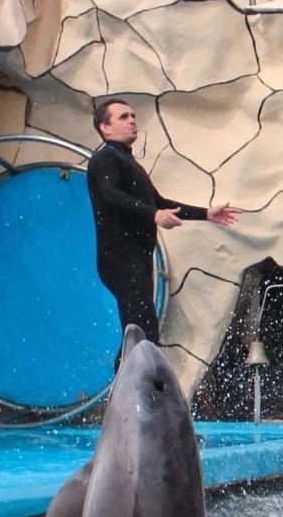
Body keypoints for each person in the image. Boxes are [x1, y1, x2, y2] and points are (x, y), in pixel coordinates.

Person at [87, 98, 241, 348]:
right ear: (105, 128)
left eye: (133, 115)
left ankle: (130, 381)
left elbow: (158, 202)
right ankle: (131, 383)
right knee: (142, 331)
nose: (132, 121)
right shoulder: (105, 159)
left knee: (142, 330)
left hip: (135, 258)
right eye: (123, 117)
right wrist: (153, 215)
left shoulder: (126, 161)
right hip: (120, 259)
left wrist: (206, 213)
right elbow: (111, 195)